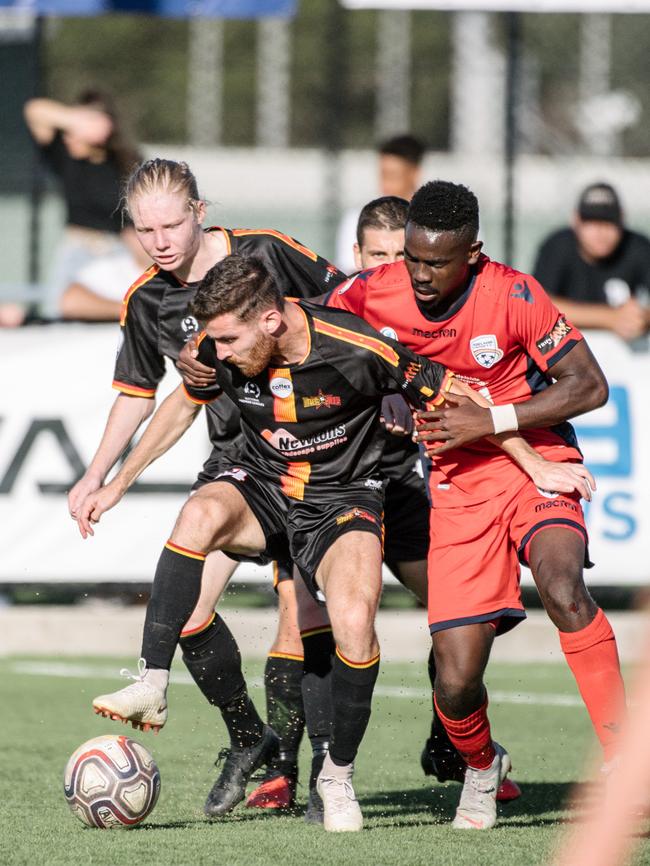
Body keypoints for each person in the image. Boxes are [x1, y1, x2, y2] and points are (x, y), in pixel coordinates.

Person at [77, 254, 576, 831]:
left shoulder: (357, 347)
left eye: (230, 340)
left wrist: (533, 460)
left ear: (270, 321)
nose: (221, 352)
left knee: (356, 619)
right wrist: (117, 482)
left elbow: (458, 397)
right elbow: (184, 403)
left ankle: (336, 776)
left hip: (343, 498)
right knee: (197, 514)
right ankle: (152, 683)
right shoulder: (222, 342)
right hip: (261, 483)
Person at [326, 179, 625, 831]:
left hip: (539, 462)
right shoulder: (369, 293)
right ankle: (483, 766)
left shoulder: (514, 294)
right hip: (458, 490)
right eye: (412, 258)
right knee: (455, 682)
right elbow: (311, 330)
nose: (422, 275)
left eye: (438, 261)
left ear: (474, 253)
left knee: (564, 588)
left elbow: (589, 384)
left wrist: (490, 417)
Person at [67, 158, 344, 809]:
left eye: (170, 223)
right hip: (237, 465)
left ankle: (316, 772)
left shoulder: (266, 253)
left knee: (297, 621)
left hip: (311, 458)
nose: (159, 239)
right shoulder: (148, 300)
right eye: (143, 228)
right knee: (188, 615)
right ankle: (249, 739)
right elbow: (143, 397)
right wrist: (99, 475)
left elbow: (348, 307)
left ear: (200, 211)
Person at [22, 90, 144, 320]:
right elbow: (34, 110)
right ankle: (127, 310)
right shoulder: (66, 157)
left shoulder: (124, 164)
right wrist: (75, 120)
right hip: (78, 248)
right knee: (59, 305)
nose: (68, 136)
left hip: (118, 253)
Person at [532, 182, 650, 344]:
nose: (600, 232)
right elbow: (538, 305)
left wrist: (642, 317)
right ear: (576, 220)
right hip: (567, 345)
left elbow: (642, 316)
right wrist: (610, 317)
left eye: (608, 222)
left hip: (626, 347)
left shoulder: (638, 246)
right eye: (591, 222)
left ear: (622, 220)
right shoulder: (558, 246)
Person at [335, 134, 425, 274]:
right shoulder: (357, 218)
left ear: (414, 174)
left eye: (393, 176)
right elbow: (348, 272)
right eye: (383, 175)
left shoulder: (429, 219)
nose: (386, 185)